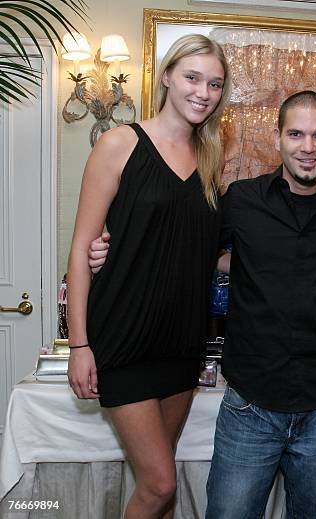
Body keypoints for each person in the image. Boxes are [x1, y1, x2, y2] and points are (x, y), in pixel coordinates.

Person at [88, 91, 316, 518]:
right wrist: (114, 247)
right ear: (278, 137)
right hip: (249, 407)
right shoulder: (241, 200)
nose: (308, 147)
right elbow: (187, 244)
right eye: (296, 133)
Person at [66, 34, 231, 519]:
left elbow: (198, 250)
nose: (203, 92)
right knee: (160, 485)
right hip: (125, 336)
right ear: (165, 77)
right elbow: (81, 247)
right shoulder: (121, 143)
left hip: (182, 343)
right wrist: (80, 344)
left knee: (155, 484)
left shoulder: (209, 159)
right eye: (192, 77)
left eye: (215, 84)